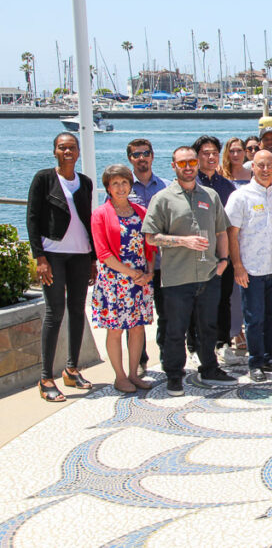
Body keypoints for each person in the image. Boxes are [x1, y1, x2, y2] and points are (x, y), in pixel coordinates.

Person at [142, 145, 236, 396]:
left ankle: (209, 368)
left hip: (208, 274)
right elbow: (151, 238)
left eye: (191, 162)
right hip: (176, 277)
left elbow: (221, 231)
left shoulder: (210, 196)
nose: (188, 167)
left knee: (208, 326)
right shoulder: (162, 198)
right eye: (182, 163)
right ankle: (174, 374)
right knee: (175, 329)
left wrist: (224, 261)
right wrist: (183, 241)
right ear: (173, 166)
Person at [27, 133, 97, 402]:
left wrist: (92, 259)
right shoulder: (44, 178)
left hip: (80, 255)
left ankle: (71, 369)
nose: (67, 151)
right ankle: (46, 378)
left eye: (71, 147)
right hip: (53, 255)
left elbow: (88, 219)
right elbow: (32, 218)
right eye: (62, 147)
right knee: (54, 313)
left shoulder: (86, 183)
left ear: (78, 152)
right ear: (54, 151)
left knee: (78, 311)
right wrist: (40, 258)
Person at [226, 150, 272, 383]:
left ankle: (269, 357)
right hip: (251, 269)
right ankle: (255, 361)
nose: (265, 170)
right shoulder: (240, 197)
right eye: (260, 166)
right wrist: (237, 265)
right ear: (252, 168)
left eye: (269, 165)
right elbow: (232, 233)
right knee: (254, 318)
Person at [90, 164, 155, 394]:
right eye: (115, 183)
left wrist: (149, 273)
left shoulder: (140, 211)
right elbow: (103, 253)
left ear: (130, 185)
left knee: (137, 328)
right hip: (114, 282)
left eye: (124, 182)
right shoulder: (100, 214)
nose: (120, 187)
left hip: (139, 281)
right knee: (116, 330)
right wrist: (130, 273)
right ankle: (119, 376)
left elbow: (150, 246)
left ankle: (133, 374)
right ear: (108, 187)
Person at [193, 135, 239, 362]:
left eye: (214, 153)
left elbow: (233, 223)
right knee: (198, 301)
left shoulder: (226, 185)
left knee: (223, 299)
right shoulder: (192, 184)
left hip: (224, 253)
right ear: (197, 156)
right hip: (198, 254)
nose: (210, 157)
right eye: (205, 153)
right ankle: (194, 346)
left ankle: (223, 343)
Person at [125, 137, 168, 374]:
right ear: (130, 159)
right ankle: (139, 360)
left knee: (165, 313)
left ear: (152, 155)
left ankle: (166, 356)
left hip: (162, 262)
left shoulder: (165, 186)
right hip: (134, 265)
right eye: (136, 154)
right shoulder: (122, 187)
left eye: (145, 153)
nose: (141, 158)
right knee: (135, 317)